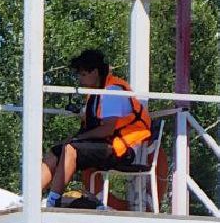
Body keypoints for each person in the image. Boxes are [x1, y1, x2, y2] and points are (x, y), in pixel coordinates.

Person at [41, 49, 153, 207]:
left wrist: (77, 139)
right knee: (56, 151)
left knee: (70, 149)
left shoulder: (113, 91)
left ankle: (52, 201)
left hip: (122, 149)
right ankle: (30, 196)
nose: (80, 79)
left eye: (83, 74)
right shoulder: (97, 92)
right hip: (106, 144)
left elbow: (107, 129)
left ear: (94, 72)